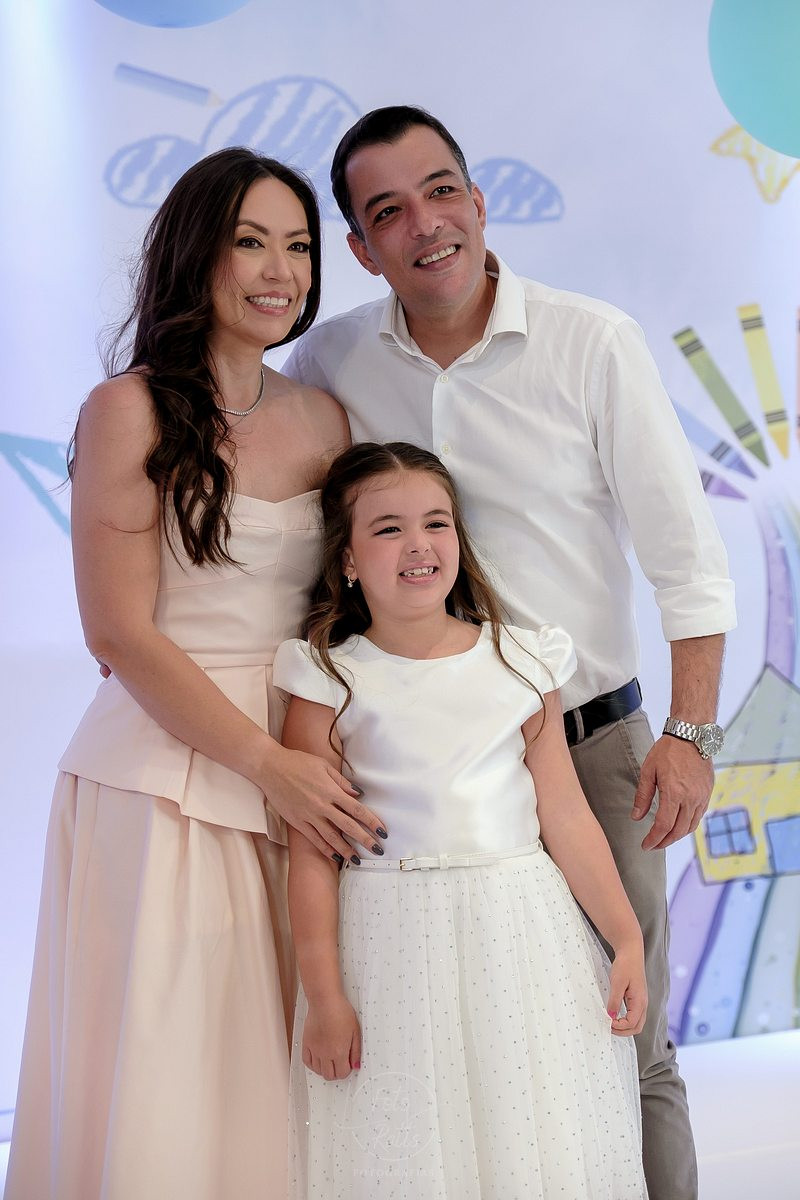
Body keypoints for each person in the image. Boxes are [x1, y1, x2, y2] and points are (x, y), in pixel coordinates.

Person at [283, 105, 737, 1200]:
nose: (425, 223)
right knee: (450, 1060)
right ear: (360, 247)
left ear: (479, 203)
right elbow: (307, 539)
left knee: (629, 1043)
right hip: (415, 771)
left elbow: (688, 563)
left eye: (442, 191)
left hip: (589, 747)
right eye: (388, 211)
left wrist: (687, 733)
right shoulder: (331, 360)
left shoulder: (593, 342)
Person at [5, 147, 388, 1200]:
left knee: (292, 1068)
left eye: (298, 246)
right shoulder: (126, 409)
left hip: (304, 766)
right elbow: (119, 634)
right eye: (250, 242)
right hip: (170, 776)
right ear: (195, 254)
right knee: (173, 1076)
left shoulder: (323, 418)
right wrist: (268, 765)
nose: (280, 271)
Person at [273, 441, 649, 1199]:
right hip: (388, 940)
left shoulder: (521, 661)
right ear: (347, 559)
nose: (418, 544)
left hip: (519, 929)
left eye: (436, 522)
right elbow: (312, 853)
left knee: (528, 1129)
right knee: (412, 1137)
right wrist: (325, 996)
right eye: (388, 529)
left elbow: (565, 815)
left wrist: (626, 935)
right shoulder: (329, 676)